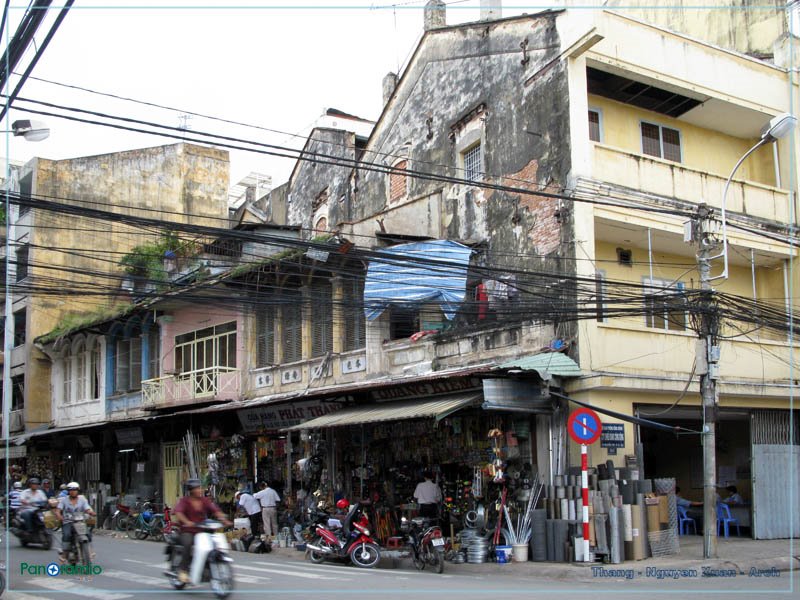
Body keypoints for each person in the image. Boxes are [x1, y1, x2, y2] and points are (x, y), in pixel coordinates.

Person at [173, 479, 231, 584]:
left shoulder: (204, 501)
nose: (200, 490)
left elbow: (215, 510)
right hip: (187, 531)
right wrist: (187, 522)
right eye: (197, 488)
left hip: (202, 532)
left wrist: (224, 519)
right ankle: (183, 570)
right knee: (188, 543)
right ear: (191, 490)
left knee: (213, 545)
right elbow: (178, 512)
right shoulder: (184, 501)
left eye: (200, 488)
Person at [53, 481, 96, 562]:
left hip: (80, 522)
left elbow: (87, 508)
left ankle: (90, 551)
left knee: (88, 534)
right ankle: (64, 554)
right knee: (66, 535)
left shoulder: (82, 499)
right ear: (68, 491)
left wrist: (91, 512)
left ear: (78, 490)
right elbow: (58, 510)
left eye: (75, 490)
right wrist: (59, 516)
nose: (73, 492)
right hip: (68, 522)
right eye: (71, 490)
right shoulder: (64, 500)